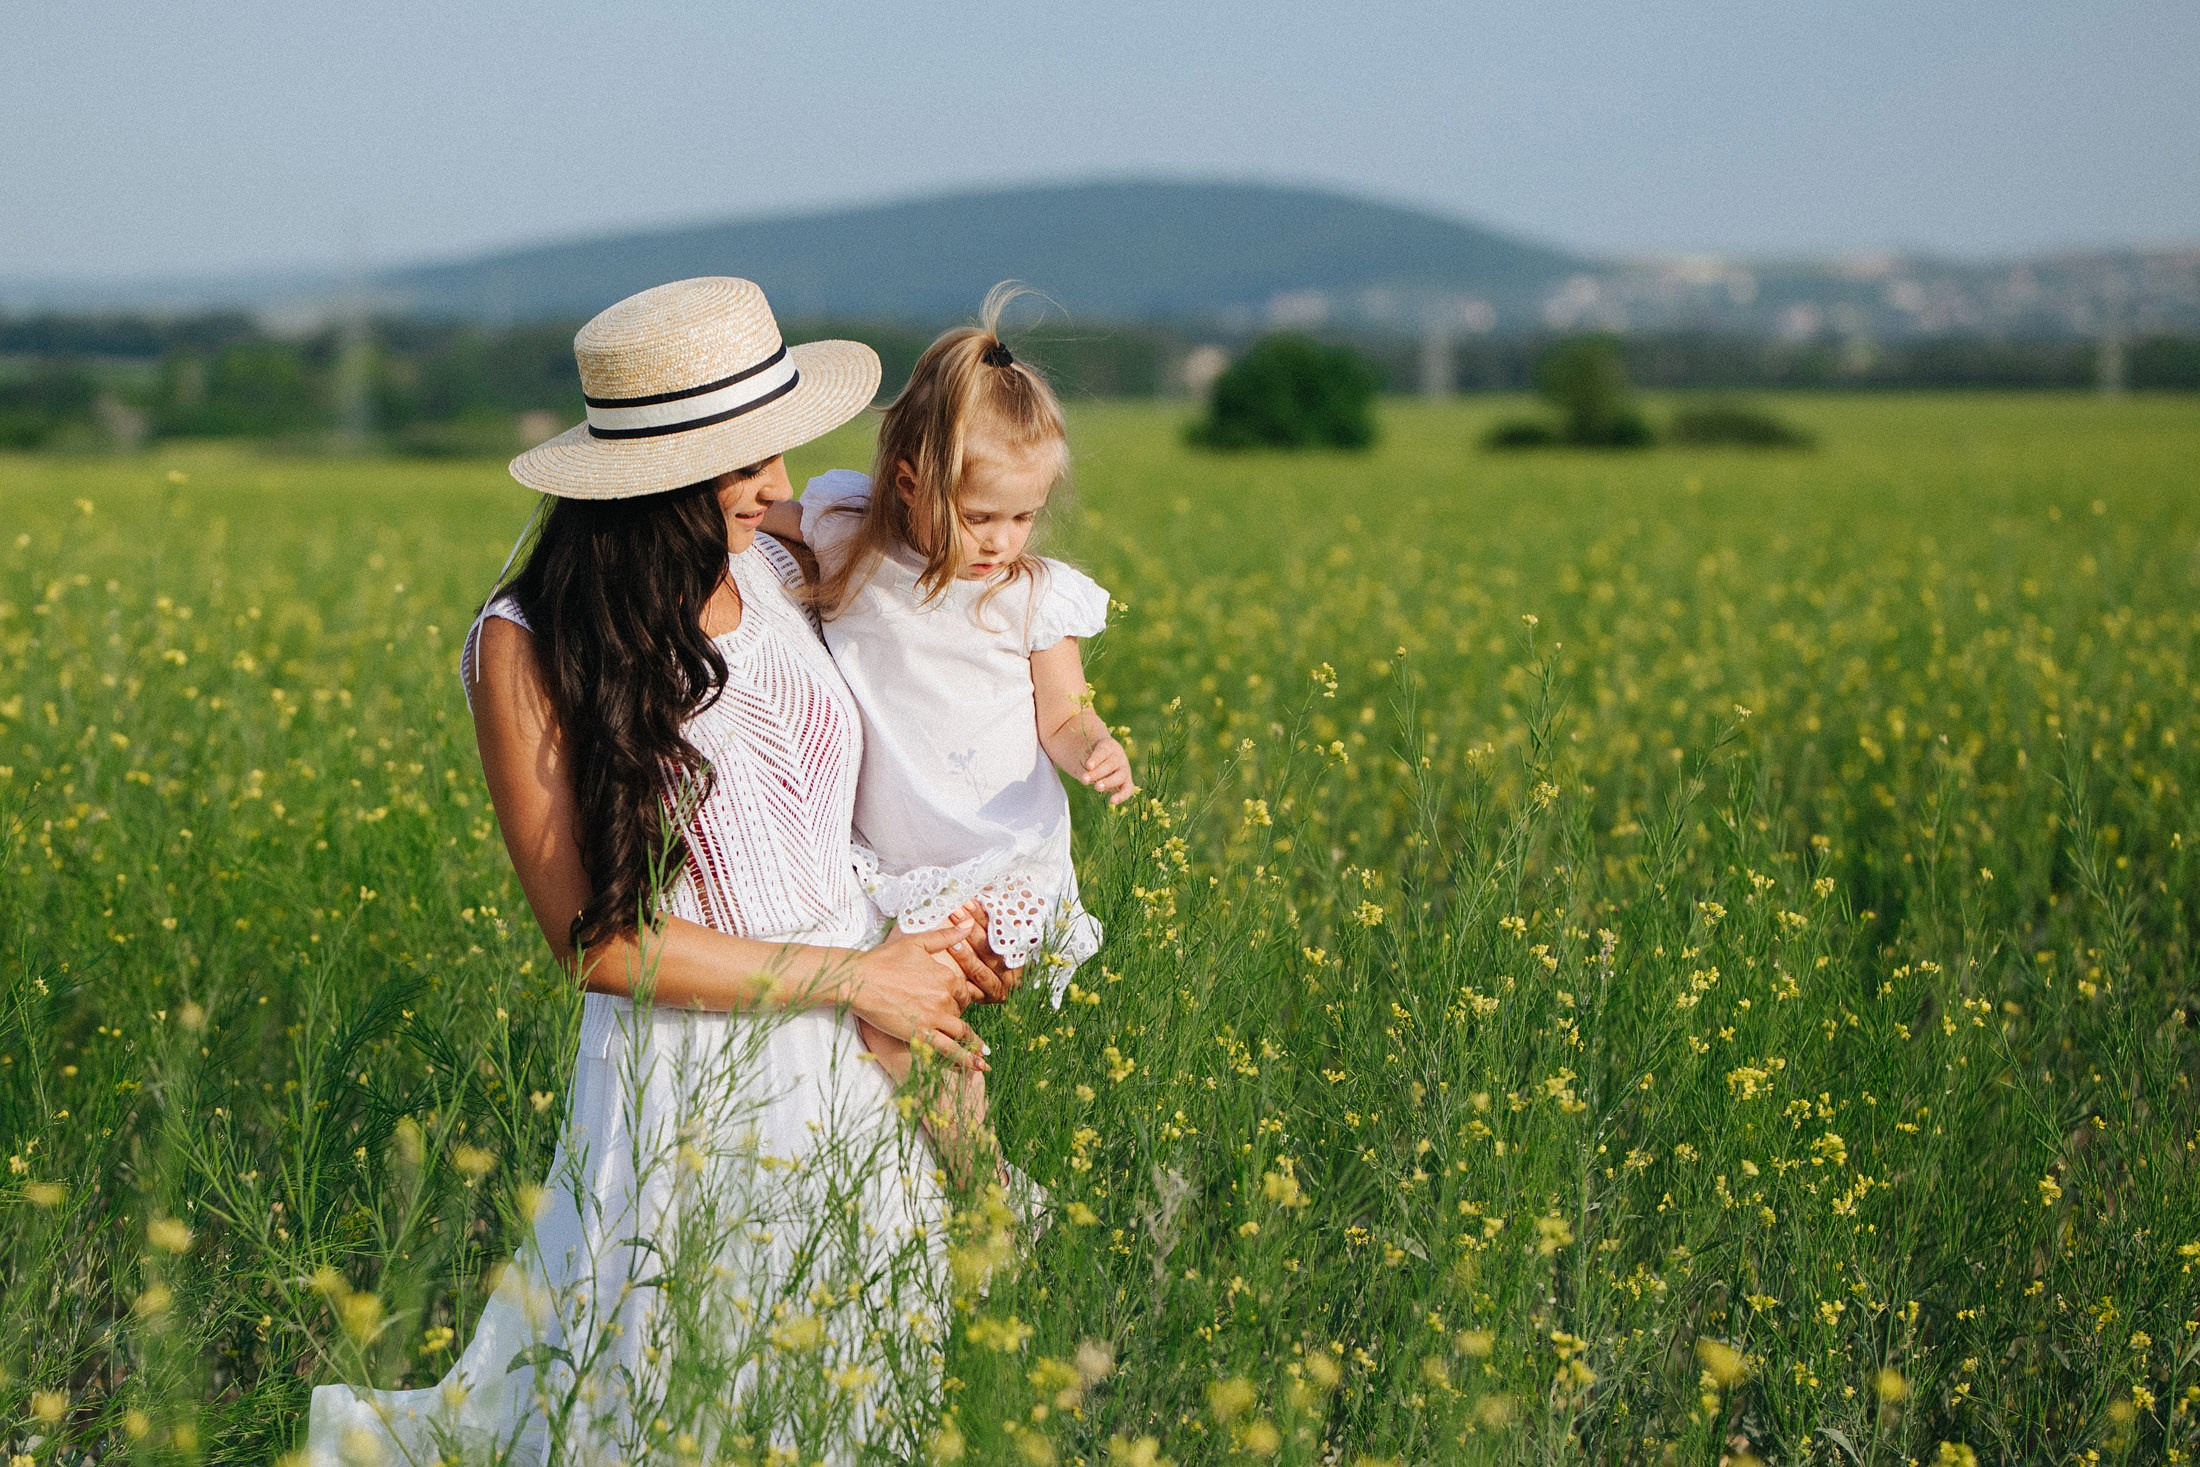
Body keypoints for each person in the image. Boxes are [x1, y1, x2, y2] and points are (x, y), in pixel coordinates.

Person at [304, 277, 1008, 1466]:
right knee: (676, 1410)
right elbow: (599, 944)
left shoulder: (787, 575)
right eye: (742, 466)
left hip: (860, 1046)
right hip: (690, 1077)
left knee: (855, 1404)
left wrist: (942, 942)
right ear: (654, 480)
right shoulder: (526, 644)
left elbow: (916, 751)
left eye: (773, 447)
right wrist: (858, 977)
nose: (780, 484)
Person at [760, 285, 1134, 1183]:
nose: (1005, 540)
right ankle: (953, 1199)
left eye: (1025, 516)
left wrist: (1097, 752)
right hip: (892, 860)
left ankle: (992, 1198)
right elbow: (744, 516)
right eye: (981, 517)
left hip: (1000, 858)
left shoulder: (1031, 595)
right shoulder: (847, 532)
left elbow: (1064, 713)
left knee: (900, 1028)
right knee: (884, 1030)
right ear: (908, 485)